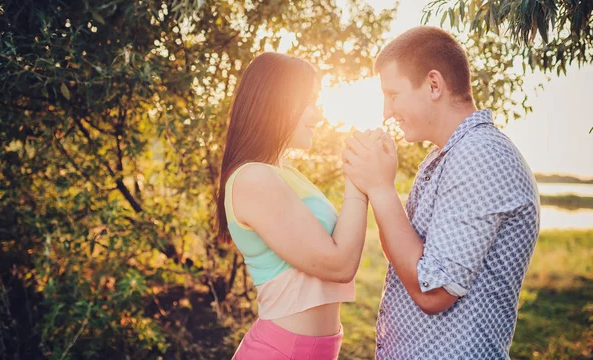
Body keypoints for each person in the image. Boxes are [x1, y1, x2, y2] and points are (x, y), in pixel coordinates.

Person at [343, 26, 540, 359]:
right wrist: (378, 184)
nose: (386, 112)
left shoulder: (480, 156)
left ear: (434, 85)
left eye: (393, 95)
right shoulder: (444, 155)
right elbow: (406, 257)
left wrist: (380, 188)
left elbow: (433, 290)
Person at [216, 52, 372, 360]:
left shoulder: (283, 173)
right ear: (278, 102)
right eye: (309, 102)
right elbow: (339, 264)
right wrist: (359, 180)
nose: (318, 115)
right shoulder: (253, 178)